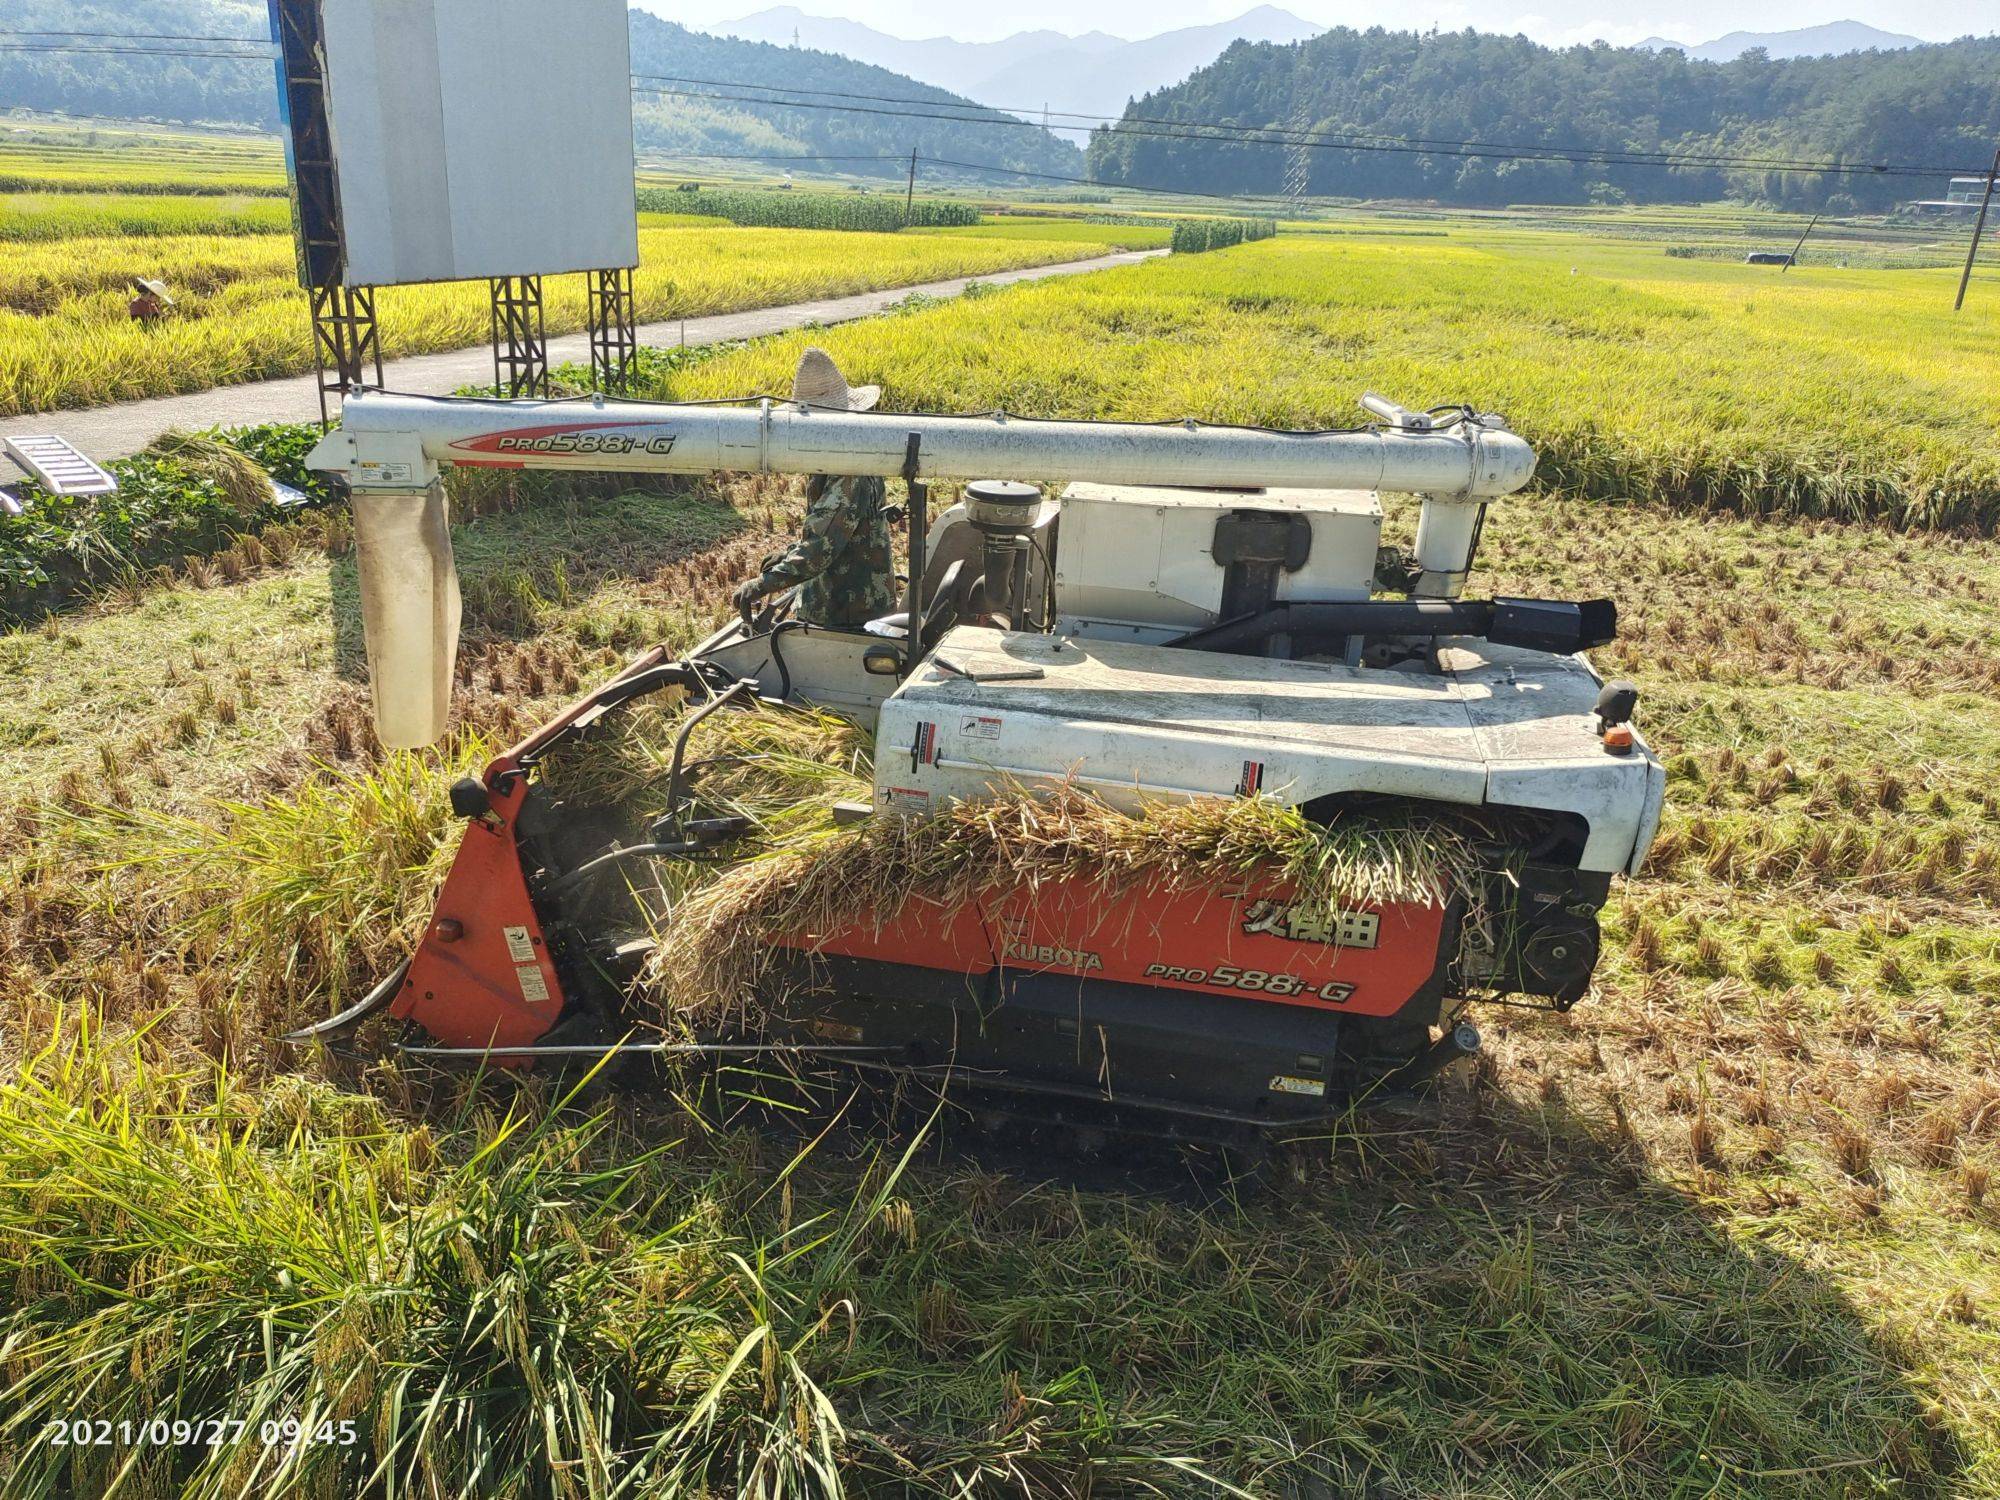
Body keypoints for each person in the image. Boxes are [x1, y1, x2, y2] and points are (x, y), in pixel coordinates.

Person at [732, 348, 898, 629]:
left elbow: (821, 547)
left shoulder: (850, 473)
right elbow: (825, 532)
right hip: (837, 598)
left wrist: (763, 584)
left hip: (849, 611)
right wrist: (786, 557)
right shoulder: (833, 458)